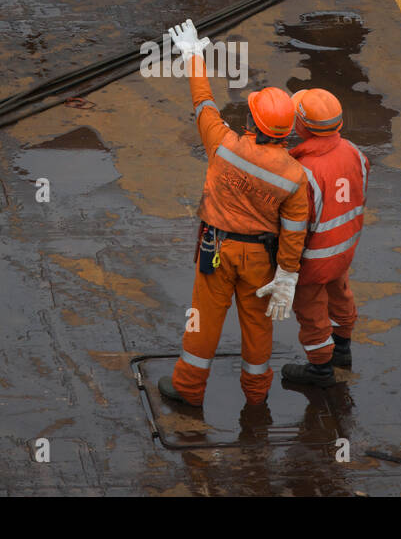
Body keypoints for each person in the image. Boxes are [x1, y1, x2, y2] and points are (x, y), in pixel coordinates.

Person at [158, 20, 309, 407]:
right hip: (261, 259)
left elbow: (203, 103)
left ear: (250, 122)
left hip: (216, 250)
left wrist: (193, 54)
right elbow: (294, 230)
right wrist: (287, 276)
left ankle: (189, 388)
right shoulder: (294, 175)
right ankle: (256, 395)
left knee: (204, 319)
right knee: (257, 325)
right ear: (288, 130)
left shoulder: (223, 145)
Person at [280, 88, 369, 388]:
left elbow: (297, 224)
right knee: (340, 294)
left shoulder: (303, 171)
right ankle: (342, 348)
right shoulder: (355, 153)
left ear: (302, 126)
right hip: (344, 248)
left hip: (314, 259)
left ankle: (319, 369)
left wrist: (286, 265)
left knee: (311, 311)